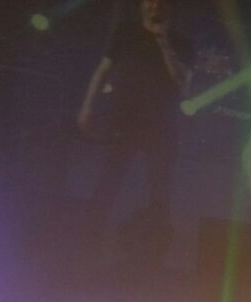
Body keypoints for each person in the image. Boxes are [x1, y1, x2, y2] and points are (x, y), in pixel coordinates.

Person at [76, 0, 192, 262]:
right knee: (108, 181)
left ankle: (153, 254)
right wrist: (87, 106)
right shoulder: (126, 32)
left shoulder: (181, 43)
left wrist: (163, 42)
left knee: (159, 190)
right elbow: (103, 70)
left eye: (160, 2)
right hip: (124, 121)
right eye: (149, 1)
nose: (154, 6)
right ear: (142, 5)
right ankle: (87, 246)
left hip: (161, 127)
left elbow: (183, 83)